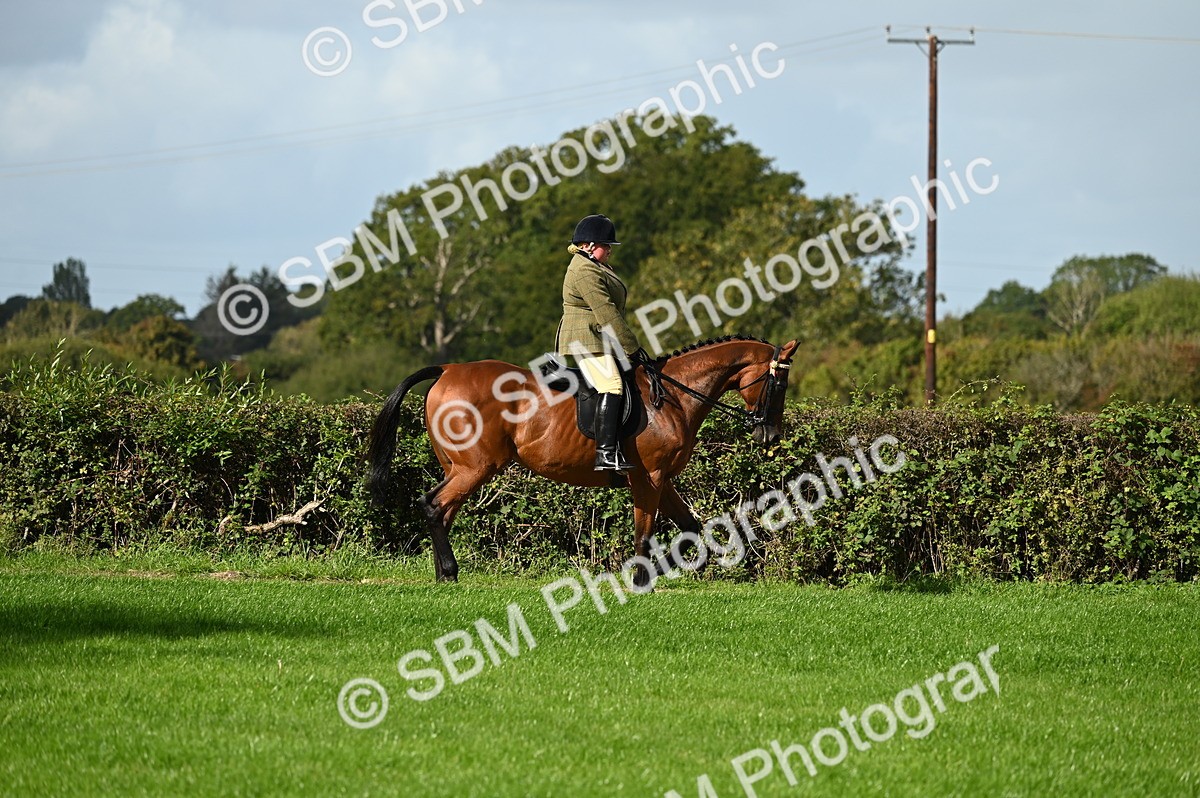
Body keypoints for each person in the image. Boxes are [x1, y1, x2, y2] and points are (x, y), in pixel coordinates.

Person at [554, 214, 644, 472]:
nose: (610, 252)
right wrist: (631, 347)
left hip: (597, 337)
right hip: (585, 338)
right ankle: (605, 454)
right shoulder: (583, 269)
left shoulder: (594, 265)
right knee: (612, 385)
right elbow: (606, 311)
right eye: (608, 246)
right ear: (591, 245)